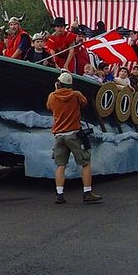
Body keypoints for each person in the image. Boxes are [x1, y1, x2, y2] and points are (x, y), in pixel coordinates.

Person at [46, 71, 102, 204]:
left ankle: (59, 195)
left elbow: (49, 107)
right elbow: (84, 102)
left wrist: (56, 91)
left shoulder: (52, 96)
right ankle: (87, 192)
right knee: (85, 162)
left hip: (59, 135)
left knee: (60, 165)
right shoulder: (76, 95)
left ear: (58, 83)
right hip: (74, 133)